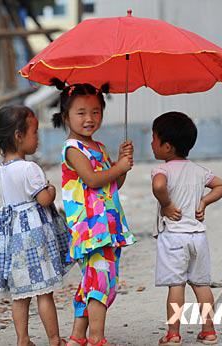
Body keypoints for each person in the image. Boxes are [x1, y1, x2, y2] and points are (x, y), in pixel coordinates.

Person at [51, 81, 137, 346]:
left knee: (95, 280)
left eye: (96, 111)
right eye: (81, 113)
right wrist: (117, 167)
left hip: (108, 226)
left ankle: (78, 336)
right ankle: (96, 338)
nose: (89, 118)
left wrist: (122, 166)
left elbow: (113, 184)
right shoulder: (73, 149)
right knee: (100, 282)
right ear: (65, 116)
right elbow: (92, 179)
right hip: (90, 228)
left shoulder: (99, 147)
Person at [0, 105, 71, 346]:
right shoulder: (30, 169)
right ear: (19, 136)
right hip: (33, 237)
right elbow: (44, 199)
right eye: (35, 132)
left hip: (13, 237)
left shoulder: (3, 169)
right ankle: (54, 339)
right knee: (43, 291)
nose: (38, 138)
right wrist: (51, 188)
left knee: (20, 295)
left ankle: (23, 339)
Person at [150, 111, 222, 346]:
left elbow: (159, 185)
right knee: (201, 285)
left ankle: (173, 333)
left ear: (166, 146)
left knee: (177, 286)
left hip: (174, 237)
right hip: (198, 237)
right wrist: (204, 201)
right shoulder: (197, 170)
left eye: (154, 138)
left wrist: (166, 204)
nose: (151, 143)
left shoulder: (162, 170)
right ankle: (209, 330)